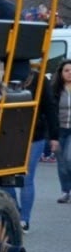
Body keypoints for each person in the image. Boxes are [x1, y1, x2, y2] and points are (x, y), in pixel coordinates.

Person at [2, 71, 58, 232]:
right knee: (4, 179)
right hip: (3, 134)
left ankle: (24, 220)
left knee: (26, 177)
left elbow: (49, 106)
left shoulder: (39, 79)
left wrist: (54, 136)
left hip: (34, 134)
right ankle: (15, 213)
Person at [54, 60, 71, 204]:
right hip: (59, 130)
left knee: (69, 159)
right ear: (61, 73)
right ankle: (66, 191)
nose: (70, 73)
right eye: (66, 70)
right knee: (61, 164)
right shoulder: (55, 89)